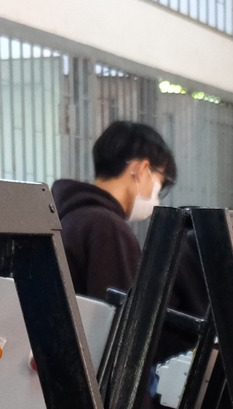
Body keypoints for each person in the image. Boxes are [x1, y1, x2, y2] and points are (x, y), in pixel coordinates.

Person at [49, 120, 175, 300]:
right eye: (159, 184)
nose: (156, 196)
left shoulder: (66, 215)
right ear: (142, 169)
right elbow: (120, 321)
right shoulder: (109, 228)